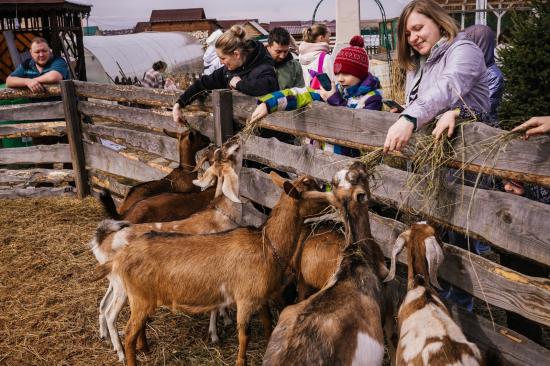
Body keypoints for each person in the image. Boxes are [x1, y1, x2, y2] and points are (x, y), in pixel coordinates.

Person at [383, 0, 489, 153]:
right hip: (430, 156)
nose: (412, 38)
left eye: (418, 28)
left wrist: (410, 118)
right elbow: (429, 101)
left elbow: (447, 87)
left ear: (439, 22)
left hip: (466, 154)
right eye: (407, 34)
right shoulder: (418, 61)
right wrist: (407, 109)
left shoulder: (465, 51)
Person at [251, 36, 383, 156]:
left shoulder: (372, 99)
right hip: (326, 159)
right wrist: (269, 104)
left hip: (351, 167)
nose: (340, 79)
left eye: (346, 74)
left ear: (360, 73)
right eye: (337, 73)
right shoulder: (337, 90)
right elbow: (300, 94)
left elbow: (360, 129)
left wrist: (335, 100)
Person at [173, 25, 279, 124]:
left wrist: (239, 84)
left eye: (223, 58)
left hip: (266, 133)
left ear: (236, 54)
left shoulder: (264, 67)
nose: (221, 62)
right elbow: (203, 83)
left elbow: (266, 86)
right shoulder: (228, 71)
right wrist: (179, 104)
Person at [298, 23, 334, 90]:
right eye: (328, 37)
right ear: (321, 38)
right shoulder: (325, 58)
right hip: (321, 98)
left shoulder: (300, 57)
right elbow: (333, 84)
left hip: (305, 97)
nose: (329, 40)